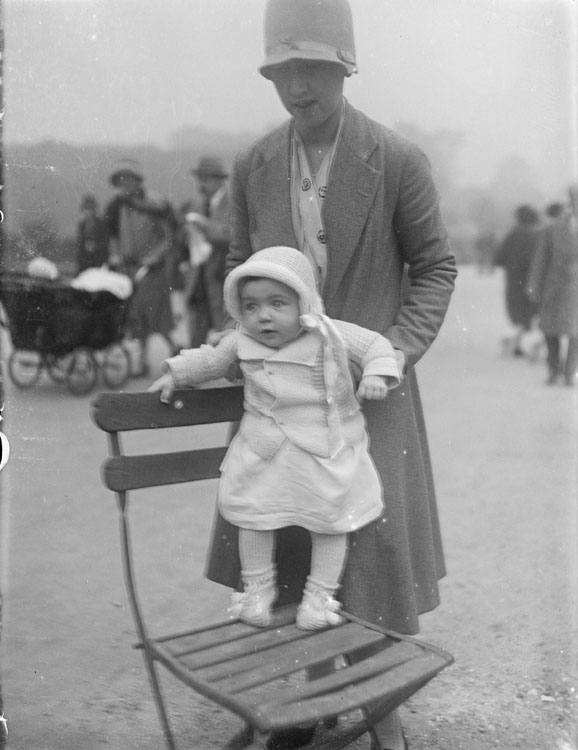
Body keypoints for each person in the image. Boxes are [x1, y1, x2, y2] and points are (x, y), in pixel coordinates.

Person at [205, 2, 456, 748]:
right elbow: (238, 265)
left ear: (345, 67)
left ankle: (377, 699)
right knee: (284, 530)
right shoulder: (255, 161)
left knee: (369, 547)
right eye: (282, 71)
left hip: (368, 388)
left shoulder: (398, 159)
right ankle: (308, 695)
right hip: (278, 395)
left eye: (311, 68)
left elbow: (435, 265)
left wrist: (398, 349)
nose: (296, 87)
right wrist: (245, 335)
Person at [150, 246, 400, 630]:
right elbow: (210, 360)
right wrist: (176, 374)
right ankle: (257, 591)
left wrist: (375, 376)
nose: (263, 316)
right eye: (250, 306)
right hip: (265, 448)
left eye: (277, 303)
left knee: (331, 520)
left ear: (304, 302)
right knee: (253, 513)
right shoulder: (240, 340)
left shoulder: (327, 333)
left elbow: (376, 346)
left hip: (322, 448)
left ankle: (319, 598)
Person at [104, 158, 177, 377]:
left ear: (137, 181)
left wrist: (154, 257)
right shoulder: (117, 206)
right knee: (137, 317)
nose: (124, 184)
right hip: (129, 268)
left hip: (153, 270)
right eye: (121, 180)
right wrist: (115, 255)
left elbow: (169, 237)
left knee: (156, 316)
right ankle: (142, 362)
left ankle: (175, 351)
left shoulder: (155, 203)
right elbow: (113, 237)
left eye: (128, 179)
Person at [526, 185, 578, 386]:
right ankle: (553, 370)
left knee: (576, 333)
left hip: (576, 289)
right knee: (551, 331)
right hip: (554, 287)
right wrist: (533, 285)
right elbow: (540, 259)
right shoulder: (553, 228)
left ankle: (569, 373)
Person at [180, 155, 231, 348]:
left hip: (221, 272)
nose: (202, 183)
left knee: (224, 324)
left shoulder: (232, 203)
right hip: (198, 276)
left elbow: (232, 236)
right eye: (200, 178)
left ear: (219, 180)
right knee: (197, 328)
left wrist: (204, 226)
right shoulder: (197, 204)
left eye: (207, 178)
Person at [493, 204, 541, 356]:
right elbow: (536, 259)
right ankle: (516, 343)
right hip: (528, 280)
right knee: (529, 313)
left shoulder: (512, 234)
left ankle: (516, 343)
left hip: (513, 280)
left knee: (519, 314)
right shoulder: (533, 234)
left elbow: (499, 257)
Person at [75, 194, 109, 274]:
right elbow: (79, 244)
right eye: (86, 208)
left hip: (98, 262)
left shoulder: (101, 224)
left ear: (94, 209)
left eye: (90, 208)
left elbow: (106, 243)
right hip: (84, 263)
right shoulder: (82, 225)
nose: (88, 211)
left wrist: (95, 246)